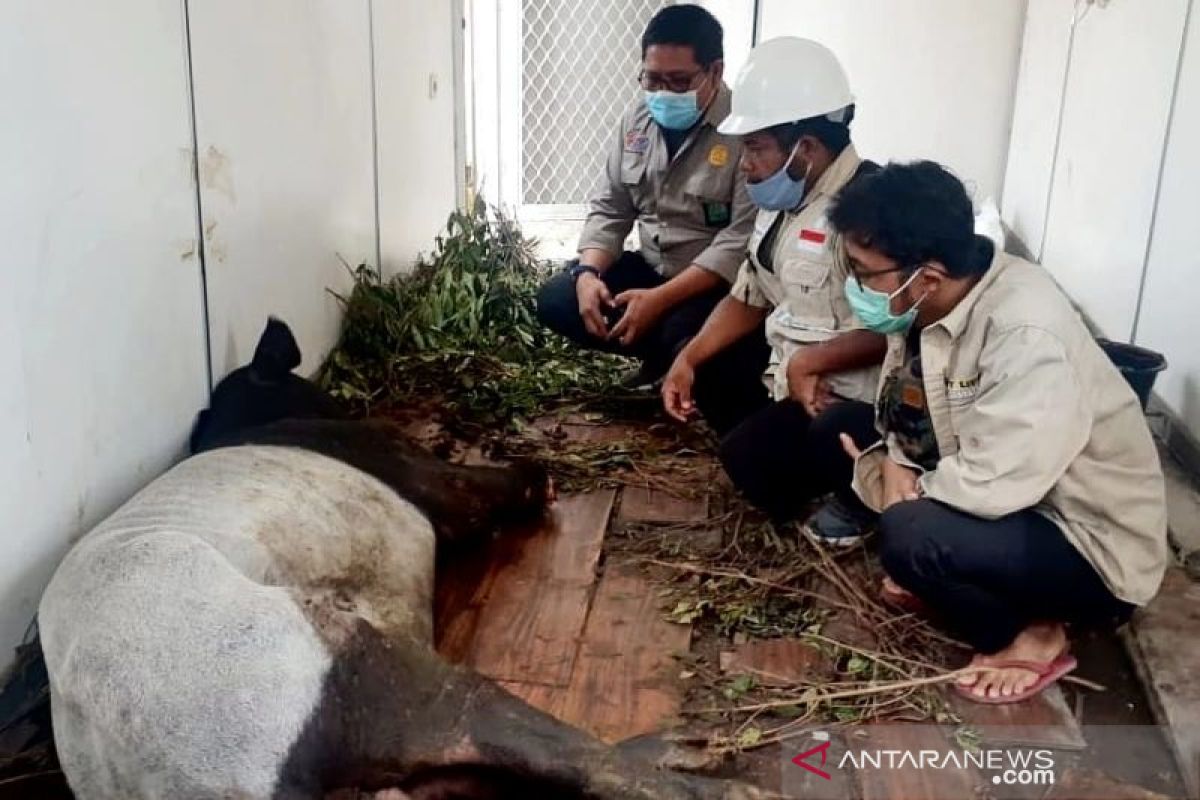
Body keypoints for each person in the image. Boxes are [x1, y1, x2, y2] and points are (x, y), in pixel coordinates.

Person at [827, 160, 1168, 704]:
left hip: (1087, 541)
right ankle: (963, 577)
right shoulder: (929, 300)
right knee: (833, 430)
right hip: (1013, 498)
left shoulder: (1026, 331)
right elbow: (909, 407)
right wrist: (896, 460)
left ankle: (1035, 633)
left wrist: (906, 502)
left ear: (928, 275)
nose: (854, 284)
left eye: (864, 272)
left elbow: (997, 482)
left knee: (911, 539)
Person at [659, 37, 886, 540]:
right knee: (700, 361)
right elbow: (750, 294)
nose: (745, 164)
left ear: (804, 148)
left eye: (756, 148)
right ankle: (793, 456)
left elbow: (896, 328)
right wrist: (689, 361)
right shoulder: (784, 197)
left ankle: (861, 497)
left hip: (849, 397)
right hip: (790, 374)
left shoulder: (869, 211)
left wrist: (813, 362)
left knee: (748, 462)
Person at [536, 4, 755, 389]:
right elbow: (611, 207)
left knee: (692, 340)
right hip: (652, 268)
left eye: (678, 81)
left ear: (715, 72)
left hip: (709, 286)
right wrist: (588, 274)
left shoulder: (745, 132)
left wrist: (661, 300)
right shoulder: (637, 117)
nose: (662, 93)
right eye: (651, 79)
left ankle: (675, 358)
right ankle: (660, 356)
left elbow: (737, 242)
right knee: (558, 298)